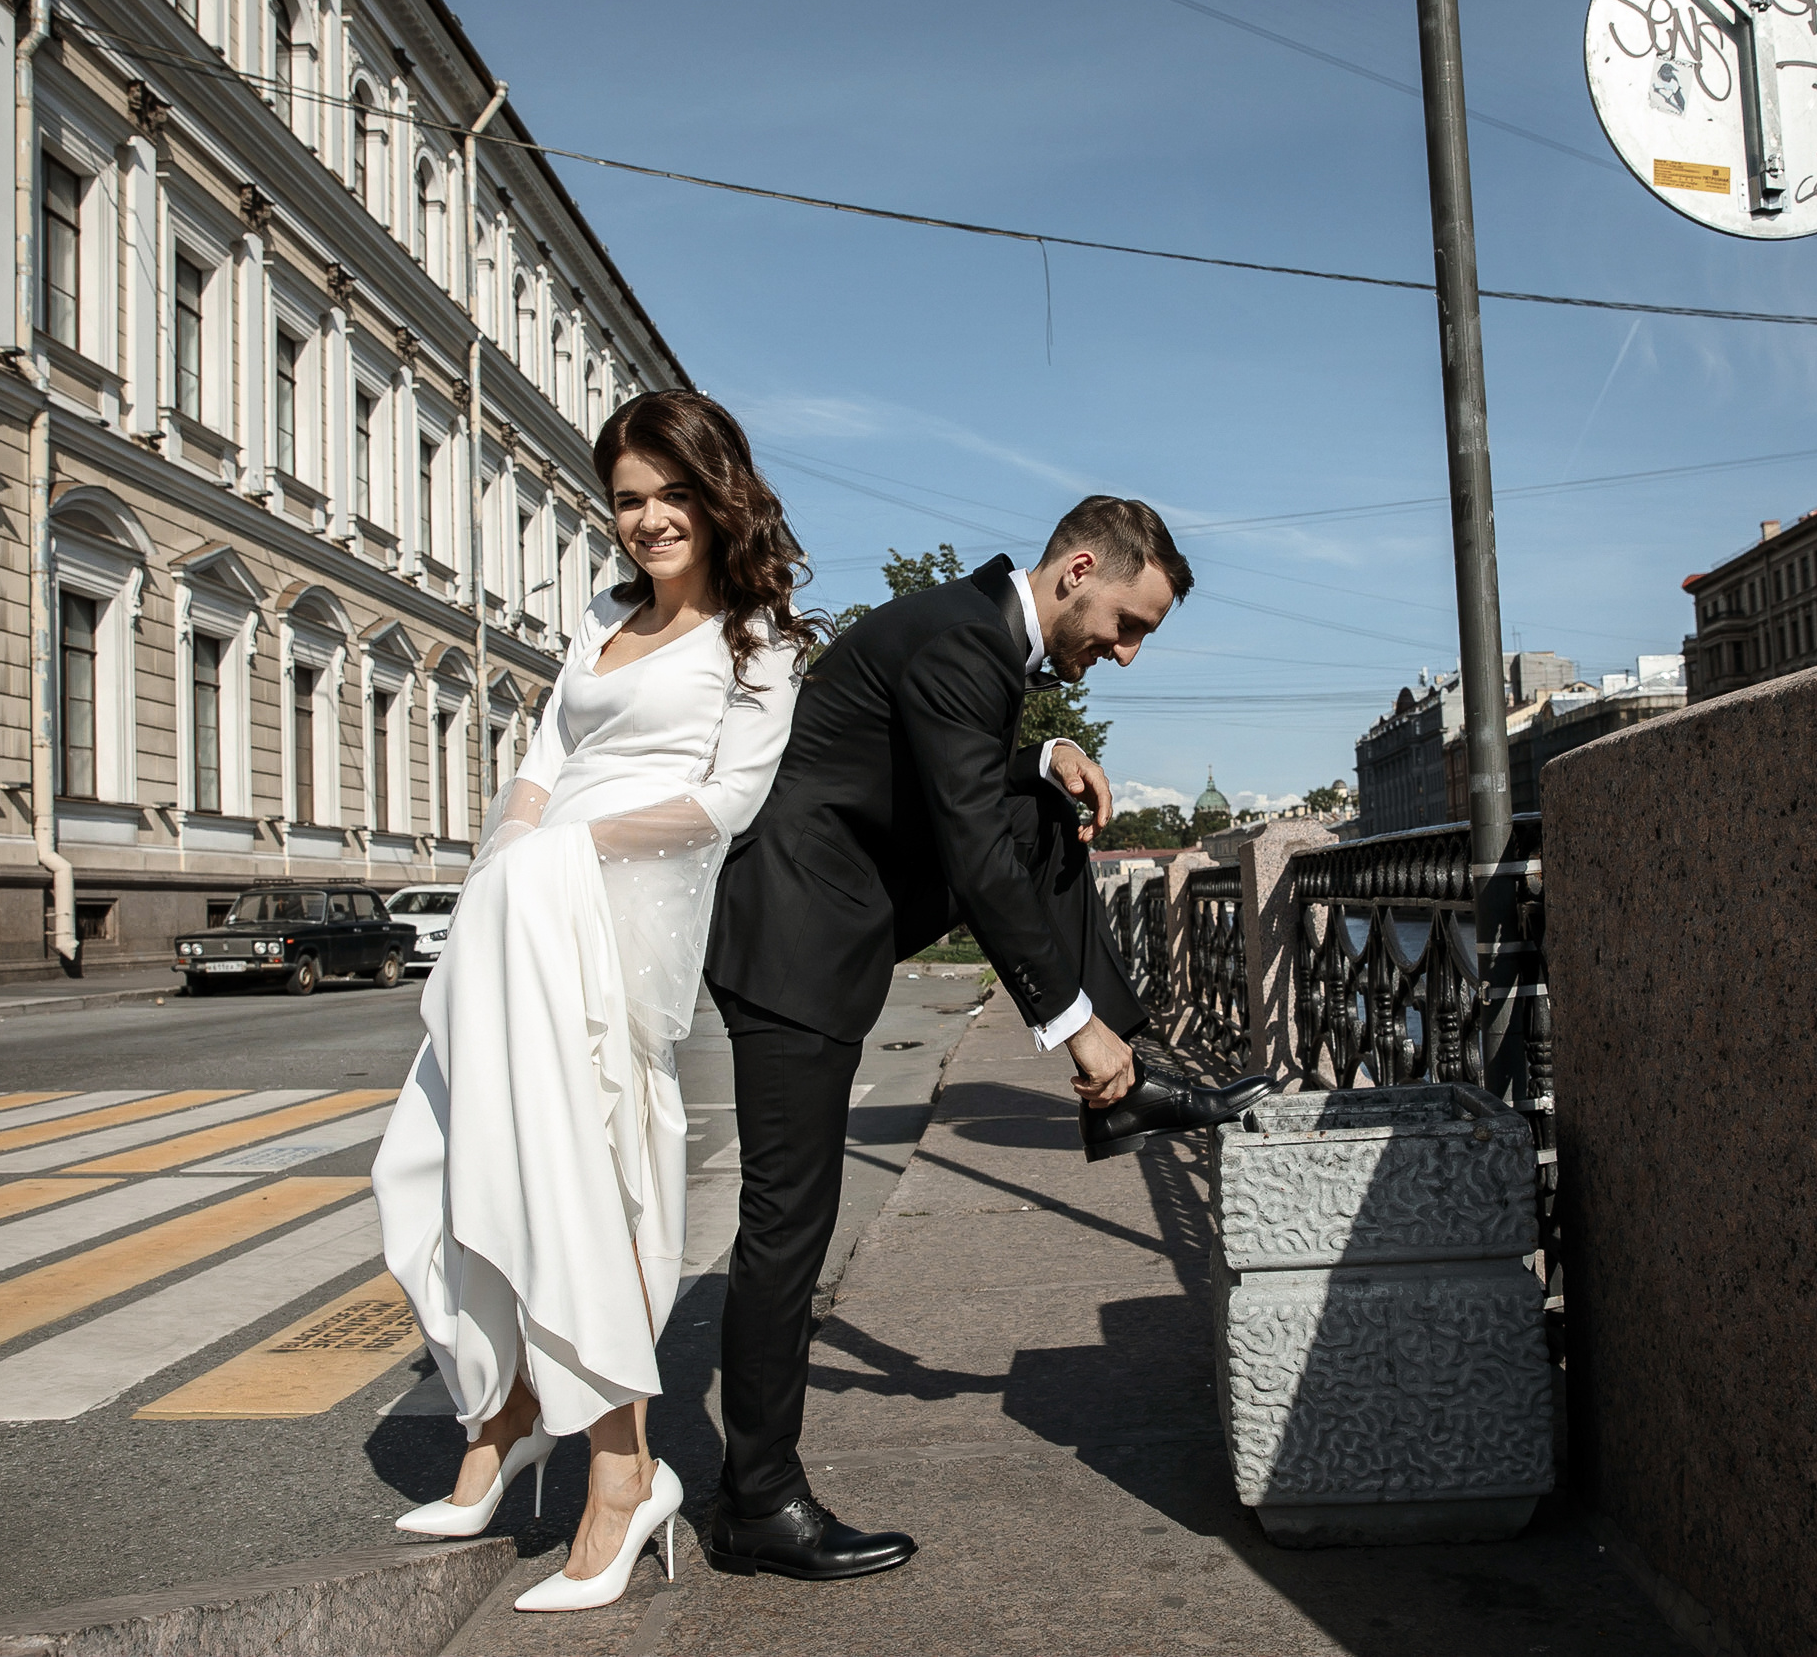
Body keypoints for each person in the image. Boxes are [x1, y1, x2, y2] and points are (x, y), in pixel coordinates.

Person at [697, 498, 1275, 1580]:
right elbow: (967, 850)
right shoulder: (962, 638)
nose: (1128, 652)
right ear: (1080, 568)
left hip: (831, 916)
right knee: (786, 1229)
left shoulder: (972, 632)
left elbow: (946, 775)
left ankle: (1125, 1088)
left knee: (1039, 810)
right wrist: (1075, 1031)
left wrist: (1044, 750)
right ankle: (756, 1501)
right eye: (1126, 622)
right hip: (790, 940)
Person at [371, 391, 823, 1613]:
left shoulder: (760, 641)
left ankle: (623, 1477)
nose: (648, 519)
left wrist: (566, 859)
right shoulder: (598, 617)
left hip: (612, 922)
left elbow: (723, 804)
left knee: (582, 1184)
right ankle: (509, 1407)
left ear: (716, 489)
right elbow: (541, 759)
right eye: (627, 499)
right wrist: (507, 862)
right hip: (520, 907)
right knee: (442, 1159)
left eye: (671, 492)